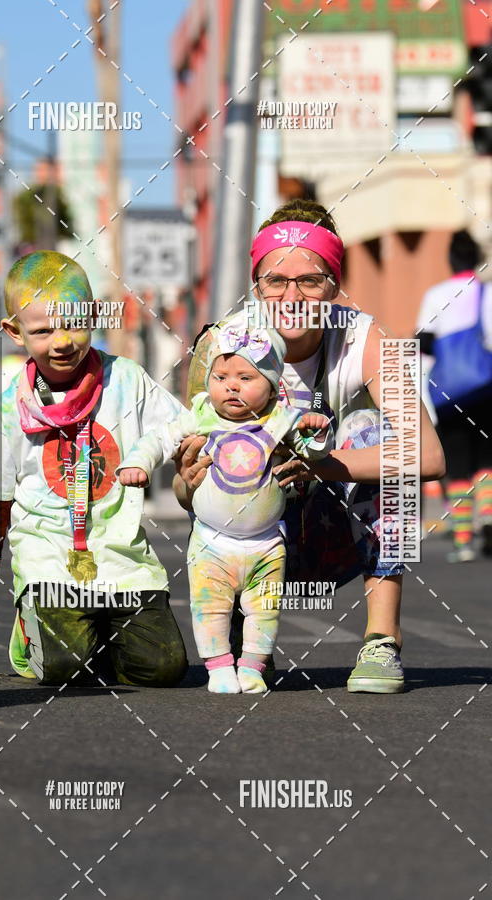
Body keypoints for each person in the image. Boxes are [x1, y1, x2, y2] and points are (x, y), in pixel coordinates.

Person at [175, 199, 446, 694]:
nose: (292, 296)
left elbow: (428, 456)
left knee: (375, 431)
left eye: (310, 280)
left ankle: (382, 640)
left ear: (334, 285)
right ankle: (243, 631)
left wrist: (321, 466)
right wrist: (186, 481)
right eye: (276, 281)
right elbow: (184, 488)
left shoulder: (368, 337)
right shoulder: (222, 345)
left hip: (333, 527)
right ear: (257, 286)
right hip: (252, 533)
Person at [0, 250, 188, 687]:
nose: (61, 342)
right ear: (14, 331)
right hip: (49, 565)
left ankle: (100, 636)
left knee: (162, 668)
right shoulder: (7, 409)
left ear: (94, 316)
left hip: (123, 562)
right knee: (64, 667)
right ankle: (34, 630)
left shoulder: (127, 379)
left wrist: (180, 461)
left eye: (74, 324)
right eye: (42, 331)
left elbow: (184, 431)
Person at [118, 313, 333, 694]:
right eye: (220, 378)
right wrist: (138, 463)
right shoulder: (202, 415)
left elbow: (313, 453)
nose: (231, 386)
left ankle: (252, 666)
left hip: (267, 543)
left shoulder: (281, 419)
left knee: (265, 610)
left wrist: (316, 433)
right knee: (209, 608)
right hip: (212, 542)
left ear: (272, 387)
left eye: (246, 378)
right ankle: (218, 667)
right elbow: (160, 439)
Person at [417, 229, 492, 562]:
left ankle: (463, 542)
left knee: (458, 466)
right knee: (487, 459)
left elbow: (423, 343)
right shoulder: (487, 292)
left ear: (450, 260)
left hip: (449, 393)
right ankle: (488, 516)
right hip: (486, 387)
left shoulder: (436, 295)